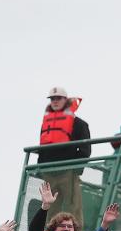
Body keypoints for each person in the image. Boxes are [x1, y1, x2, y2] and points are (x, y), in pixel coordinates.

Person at [37, 87, 92, 223]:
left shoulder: (79, 123)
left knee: (73, 205)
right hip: (49, 172)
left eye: (58, 98)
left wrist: (77, 168)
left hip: (69, 172)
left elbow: (85, 149)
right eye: (52, 99)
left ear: (65, 100)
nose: (55, 101)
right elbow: (42, 148)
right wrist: (40, 167)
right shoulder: (46, 123)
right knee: (50, 207)